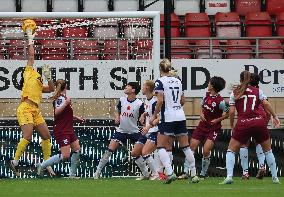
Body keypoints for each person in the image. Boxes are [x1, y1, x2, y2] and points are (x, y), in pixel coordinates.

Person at [220, 71, 281, 184]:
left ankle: (229, 176)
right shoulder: (258, 91)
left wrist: (233, 125)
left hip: (243, 123)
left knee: (231, 150)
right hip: (259, 122)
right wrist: (275, 116)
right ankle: (275, 178)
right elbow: (266, 104)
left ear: (241, 79)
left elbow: (232, 112)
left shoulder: (235, 92)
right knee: (268, 151)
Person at [9, 28, 55, 176]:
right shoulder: (28, 71)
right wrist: (30, 39)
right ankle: (14, 161)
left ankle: (47, 164)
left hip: (35, 110)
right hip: (25, 108)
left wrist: (49, 77)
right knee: (27, 136)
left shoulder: (40, 80)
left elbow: (51, 89)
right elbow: (31, 54)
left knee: (47, 136)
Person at [150, 59, 198, 184]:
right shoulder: (178, 80)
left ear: (160, 70)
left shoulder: (160, 81)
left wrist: (155, 115)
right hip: (180, 115)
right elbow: (183, 101)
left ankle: (170, 172)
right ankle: (194, 174)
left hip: (168, 116)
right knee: (186, 147)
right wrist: (175, 104)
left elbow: (159, 101)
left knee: (160, 146)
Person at [179, 77, 229, 180]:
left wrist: (217, 120)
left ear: (213, 86)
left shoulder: (221, 101)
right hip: (202, 126)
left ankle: (203, 173)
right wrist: (201, 113)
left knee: (206, 151)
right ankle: (185, 172)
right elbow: (202, 107)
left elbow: (228, 114)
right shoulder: (206, 95)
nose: (208, 84)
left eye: (210, 83)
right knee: (191, 147)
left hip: (213, 129)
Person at [94, 82, 145, 179]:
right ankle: (97, 172)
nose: (125, 87)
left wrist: (143, 120)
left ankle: (146, 173)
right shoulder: (122, 100)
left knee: (138, 153)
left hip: (134, 131)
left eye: (128, 86)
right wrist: (117, 116)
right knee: (109, 150)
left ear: (133, 90)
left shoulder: (139, 104)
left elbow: (144, 115)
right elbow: (118, 110)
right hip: (121, 131)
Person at [36, 79, 84, 178]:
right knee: (65, 155)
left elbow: (65, 114)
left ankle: (72, 175)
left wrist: (75, 117)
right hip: (62, 130)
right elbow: (57, 112)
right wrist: (66, 103)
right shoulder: (60, 99)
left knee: (77, 149)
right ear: (66, 86)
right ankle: (42, 165)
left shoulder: (64, 98)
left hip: (68, 129)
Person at [239, 73, 271, 180]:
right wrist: (265, 123)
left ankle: (245, 173)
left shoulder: (244, 92)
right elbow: (267, 110)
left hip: (247, 120)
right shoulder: (260, 92)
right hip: (260, 120)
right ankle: (262, 166)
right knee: (259, 143)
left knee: (244, 144)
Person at [131, 80, 160, 180]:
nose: (141, 88)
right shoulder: (147, 100)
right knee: (134, 153)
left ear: (147, 88)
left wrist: (148, 126)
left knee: (145, 152)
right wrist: (143, 115)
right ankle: (146, 174)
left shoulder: (156, 101)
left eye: (143, 86)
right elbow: (149, 112)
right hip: (146, 131)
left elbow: (159, 118)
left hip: (155, 131)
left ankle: (157, 175)